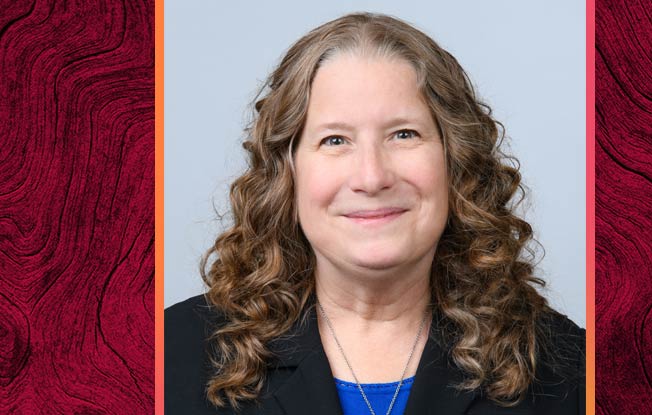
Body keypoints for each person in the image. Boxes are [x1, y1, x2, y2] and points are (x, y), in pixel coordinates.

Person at [166, 12, 584, 415]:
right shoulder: (168, 356)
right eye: (335, 140)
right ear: (286, 173)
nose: (371, 176)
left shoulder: (571, 372)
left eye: (404, 134)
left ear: (455, 162)